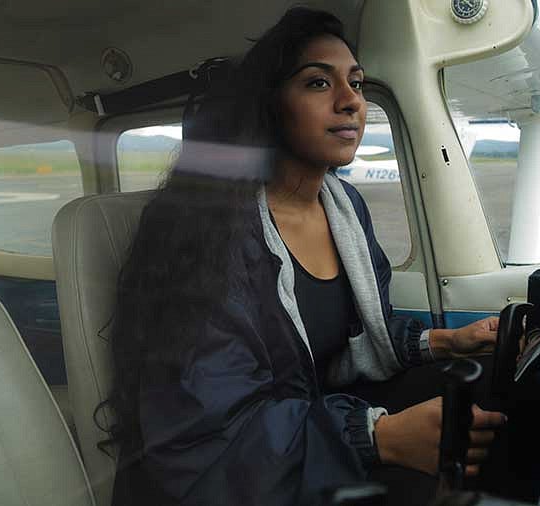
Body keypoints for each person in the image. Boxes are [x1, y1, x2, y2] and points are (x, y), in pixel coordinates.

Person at [104, 7, 506, 505]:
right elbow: (206, 426)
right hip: (225, 468)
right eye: (318, 83)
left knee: (494, 388)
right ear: (270, 106)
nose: (351, 102)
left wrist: (441, 341)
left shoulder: (344, 208)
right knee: (420, 485)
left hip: (301, 427)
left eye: (356, 84)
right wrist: (377, 437)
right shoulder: (203, 232)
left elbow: (355, 341)